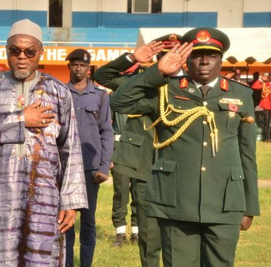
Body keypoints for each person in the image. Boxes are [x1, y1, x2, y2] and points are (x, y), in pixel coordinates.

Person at [110, 27, 260, 267]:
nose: (204, 61)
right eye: (197, 55)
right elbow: (119, 102)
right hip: (176, 201)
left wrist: (249, 207)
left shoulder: (240, 94)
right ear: (187, 60)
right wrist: (156, 71)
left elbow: (247, 155)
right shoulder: (166, 89)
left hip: (224, 202)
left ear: (221, 59)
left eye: (211, 55)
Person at [0, 19, 88, 266]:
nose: (22, 57)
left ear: (41, 53)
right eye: (14, 50)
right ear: (6, 51)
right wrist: (20, 119)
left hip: (45, 200)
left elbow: (70, 149)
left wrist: (71, 202)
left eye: (29, 51)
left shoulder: (58, 92)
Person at [94, 34, 179, 267]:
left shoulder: (191, 86)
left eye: (176, 54)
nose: (171, 59)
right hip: (144, 161)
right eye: (165, 55)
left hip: (181, 164)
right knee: (148, 232)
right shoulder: (144, 83)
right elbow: (102, 76)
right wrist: (132, 58)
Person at [64, 49, 114, 267]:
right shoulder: (60, 92)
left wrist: (104, 166)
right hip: (63, 167)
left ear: (88, 68)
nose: (78, 68)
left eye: (82, 65)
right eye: (74, 64)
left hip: (90, 168)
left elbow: (107, 131)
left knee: (88, 220)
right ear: (69, 67)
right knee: (64, 220)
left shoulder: (101, 96)